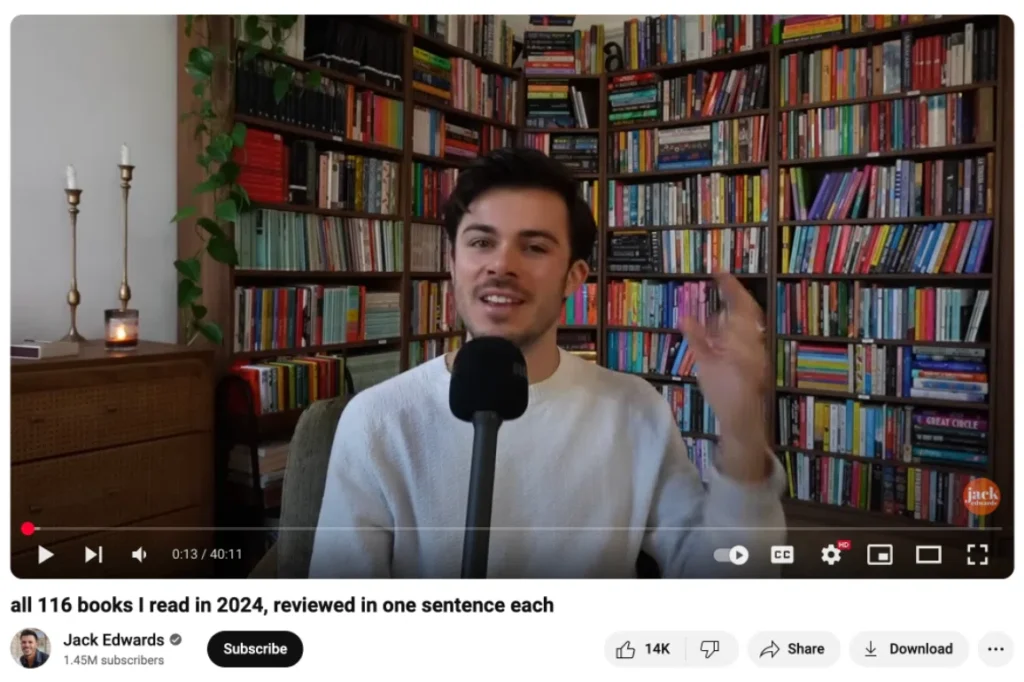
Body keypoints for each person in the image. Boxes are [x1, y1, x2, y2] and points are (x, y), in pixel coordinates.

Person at [308, 148, 786, 578]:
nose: (502, 265)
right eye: (480, 242)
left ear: (573, 277)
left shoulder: (634, 409)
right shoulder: (377, 421)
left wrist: (742, 432)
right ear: (451, 262)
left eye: (534, 247)